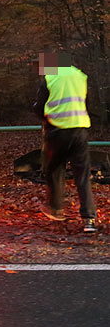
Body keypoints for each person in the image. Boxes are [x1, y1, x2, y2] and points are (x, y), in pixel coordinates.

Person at [33, 52, 97, 233]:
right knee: (82, 176)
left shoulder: (50, 79)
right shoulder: (80, 76)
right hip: (80, 130)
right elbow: (86, 102)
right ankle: (89, 220)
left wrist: (41, 115)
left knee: (53, 169)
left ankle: (56, 208)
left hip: (57, 132)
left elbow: (40, 107)